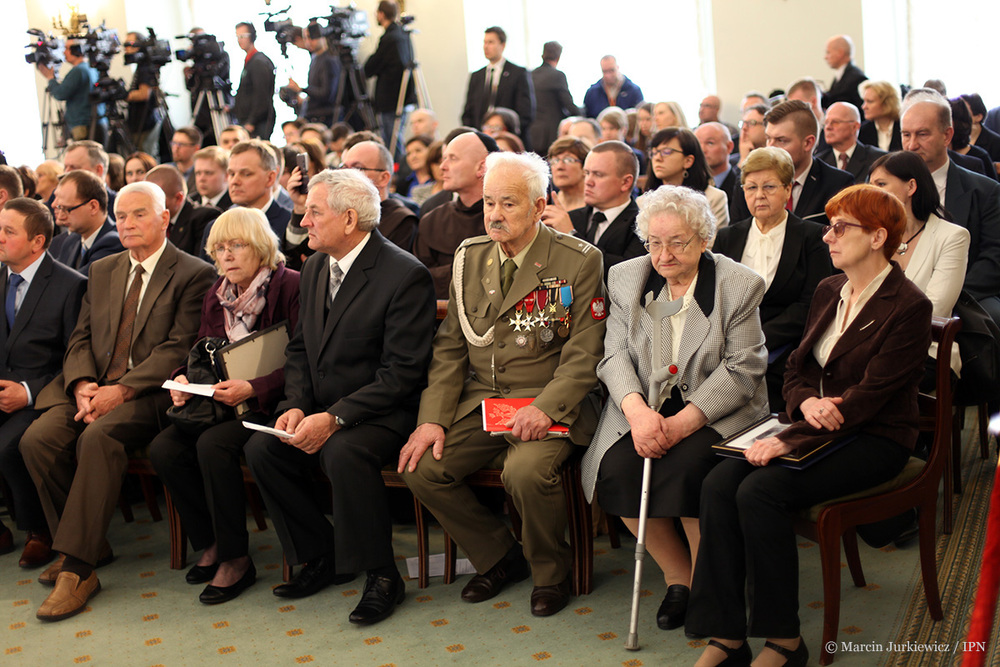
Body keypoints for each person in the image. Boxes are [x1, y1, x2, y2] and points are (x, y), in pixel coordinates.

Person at [687, 184, 933, 667]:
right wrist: (801, 406)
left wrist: (786, 438)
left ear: (879, 236)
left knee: (759, 492)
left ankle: (784, 641)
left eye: (841, 227)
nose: (828, 237)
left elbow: (869, 400)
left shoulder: (909, 305)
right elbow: (797, 370)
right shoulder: (828, 290)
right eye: (829, 225)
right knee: (717, 484)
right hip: (815, 425)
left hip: (875, 436)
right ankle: (727, 635)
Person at [401, 151, 607, 618]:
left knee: (525, 471)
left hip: (550, 399)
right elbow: (452, 348)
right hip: (484, 401)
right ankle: (500, 556)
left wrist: (548, 408)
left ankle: (552, 573)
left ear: (539, 206)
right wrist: (431, 420)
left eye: (509, 204)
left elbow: (584, 353)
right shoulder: (469, 257)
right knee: (421, 467)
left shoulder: (577, 260)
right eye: (490, 202)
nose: (494, 214)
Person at [244, 168, 436, 625]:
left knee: (344, 453)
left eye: (314, 211)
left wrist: (333, 419)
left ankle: (382, 574)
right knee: (262, 448)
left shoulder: (404, 274)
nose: (303, 220)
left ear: (349, 219)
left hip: (383, 410)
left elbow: (402, 374)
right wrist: (294, 405)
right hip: (322, 406)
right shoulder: (313, 267)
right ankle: (318, 556)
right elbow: (299, 348)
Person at [20, 181, 217, 622]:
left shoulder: (192, 272)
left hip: (150, 394)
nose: (127, 224)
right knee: (38, 439)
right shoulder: (105, 268)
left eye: (139, 214)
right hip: (95, 386)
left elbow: (177, 346)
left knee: (99, 438)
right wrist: (83, 383)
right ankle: (89, 541)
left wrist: (122, 389)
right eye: (122, 216)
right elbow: (82, 336)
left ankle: (78, 566)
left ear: (165, 218)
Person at [581, 184, 768, 632]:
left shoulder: (738, 285)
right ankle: (677, 578)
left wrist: (681, 424)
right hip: (644, 405)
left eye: (677, 242)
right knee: (617, 468)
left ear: (704, 240)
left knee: (689, 471)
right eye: (654, 242)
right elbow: (615, 355)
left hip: (716, 407)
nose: (663, 255)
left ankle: (711, 583)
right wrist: (638, 414)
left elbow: (743, 369)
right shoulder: (627, 277)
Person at [149, 207, 299, 604]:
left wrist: (253, 387)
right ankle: (211, 542)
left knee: (211, 445)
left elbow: (303, 360)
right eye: (219, 248)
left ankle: (236, 559)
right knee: (163, 448)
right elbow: (201, 351)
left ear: (262, 247)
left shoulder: (290, 286)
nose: (226, 256)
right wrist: (183, 378)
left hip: (273, 401)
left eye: (237, 245)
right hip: (222, 402)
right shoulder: (217, 296)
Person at [0, 198, 86, 569]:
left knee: (8, 446)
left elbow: (75, 357)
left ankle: (39, 530)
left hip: (42, 394)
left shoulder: (71, 285)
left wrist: (29, 392)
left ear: (37, 242)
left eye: (8, 231)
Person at [713, 147, 833, 410]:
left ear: (788, 190)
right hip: (729, 345)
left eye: (769, 187)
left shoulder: (812, 237)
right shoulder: (727, 237)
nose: (759, 196)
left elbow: (811, 303)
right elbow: (714, 297)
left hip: (786, 347)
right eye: (751, 187)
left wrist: (756, 340)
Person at [901, 90, 1000, 324]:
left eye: (922, 134)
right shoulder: (884, 186)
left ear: (947, 136)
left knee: (992, 318)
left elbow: (994, 256)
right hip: (899, 289)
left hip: (966, 291)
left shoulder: (985, 191)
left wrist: (949, 292)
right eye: (906, 135)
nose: (912, 144)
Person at [868, 150, 970, 378]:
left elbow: (935, 308)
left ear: (911, 187)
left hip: (927, 348)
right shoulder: (873, 235)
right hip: (870, 344)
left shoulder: (952, 236)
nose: (872, 193)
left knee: (866, 376)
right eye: (870, 184)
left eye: (881, 184)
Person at [732, 99, 854, 225]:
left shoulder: (837, 184)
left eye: (781, 140)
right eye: (768, 139)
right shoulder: (748, 184)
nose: (771, 148)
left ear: (808, 143)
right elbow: (737, 236)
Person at [414, 131, 498, 298]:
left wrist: (446, 272)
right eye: (444, 159)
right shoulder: (432, 220)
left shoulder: (503, 218)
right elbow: (420, 280)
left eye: (453, 159)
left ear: (481, 167)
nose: (442, 167)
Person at [461, 27, 535, 150]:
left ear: (502, 45)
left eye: (491, 42)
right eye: (484, 42)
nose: (486, 46)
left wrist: (506, 133)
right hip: (481, 140)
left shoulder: (518, 73)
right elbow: (468, 111)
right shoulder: (477, 76)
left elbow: (526, 112)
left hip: (508, 140)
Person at [644, 128, 730, 228]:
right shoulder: (643, 201)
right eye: (654, 152)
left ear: (688, 161)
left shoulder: (713, 198)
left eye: (666, 151)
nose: (657, 158)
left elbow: (712, 242)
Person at [364, 1, 416, 158]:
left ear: (381, 14)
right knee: (396, 137)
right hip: (402, 98)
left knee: (392, 142)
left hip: (390, 100)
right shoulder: (403, 34)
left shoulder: (389, 38)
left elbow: (370, 67)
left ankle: (398, 175)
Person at [47, 170, 124, 274]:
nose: (60, 216)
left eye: (66, 209)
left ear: (93, 207)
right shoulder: (71, 240)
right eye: (59, 208)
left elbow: (77, 285)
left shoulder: (113, 242)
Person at [144, 165, 222, 258]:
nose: (148, 206)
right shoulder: (148, 220)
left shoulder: (204, 218)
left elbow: (200, 266)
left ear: (178, 198)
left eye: (156, 201)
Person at [36, 38, 103, 141]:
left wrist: (50, 78)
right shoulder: (90, 68)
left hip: (82, 124)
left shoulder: (78, 71)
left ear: (77, 50)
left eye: (67, 49)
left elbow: (60, 94)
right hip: (95, 121)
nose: (64, 52)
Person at [816, 102, 887, 184]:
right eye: (826, 122)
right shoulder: (819, 162)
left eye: (835, 122)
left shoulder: (878, 159)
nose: (828, 127)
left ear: (854, 127)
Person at [530, 41, 578, 155]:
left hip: (533, 134)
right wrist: (584, 117)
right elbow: (568, 104)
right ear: (558, 57)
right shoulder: (557, 75)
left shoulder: (530, 75)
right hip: (551, 134)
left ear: (543, 55)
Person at [287, 27, 339, 127]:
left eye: (311, 37)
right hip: (313, 114)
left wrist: (301, 89)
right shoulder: (315, 57)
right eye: (305, 38)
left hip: (324, 117)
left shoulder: (328, 60)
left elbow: (326, 94)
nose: (308, 42)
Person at [232, 22, 276, 140]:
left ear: (251, 36)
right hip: (247, 119)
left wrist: (252, 121)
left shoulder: (258, 62)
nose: (239, 40)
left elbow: (261, 95)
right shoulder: (249, 60)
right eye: (237, 37)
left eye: (243, 36)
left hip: (258, 122)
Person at [123, 31, 163, 158]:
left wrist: (125, 95)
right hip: (139, 119)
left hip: (145, 120)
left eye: (131, 44)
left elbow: (144, 94)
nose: (127, 48)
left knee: (146, 155)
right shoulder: (141, 66)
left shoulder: (145, 68)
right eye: (126, 45)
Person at [821, 35, 867, 110]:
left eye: (828, 52)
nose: (825, 57)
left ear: (840, 53)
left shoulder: (857, 78)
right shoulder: (841, 75)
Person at [544, 136, 589, 212]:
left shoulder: (594, 205)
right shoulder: (547, 203)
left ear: (585, 168)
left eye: (568, 160)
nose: (559, 167)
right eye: (555, 161)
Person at [858, 81, 902, 151]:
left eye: (870, 101)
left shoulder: (904, 128)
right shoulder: (862, 131)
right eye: (864, 101)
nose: (864, 107)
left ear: (887, 103)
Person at [167, 126, 203, 193]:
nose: (175, 148)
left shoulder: (202, 173)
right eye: (174, 143)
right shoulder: (166, 170)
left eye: (181, 144)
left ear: (196, 149)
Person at [409, 140, 444, 207]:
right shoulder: (419, 191)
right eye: (437, 163)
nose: (441, 167)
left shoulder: (457, 194)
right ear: (430, 165)